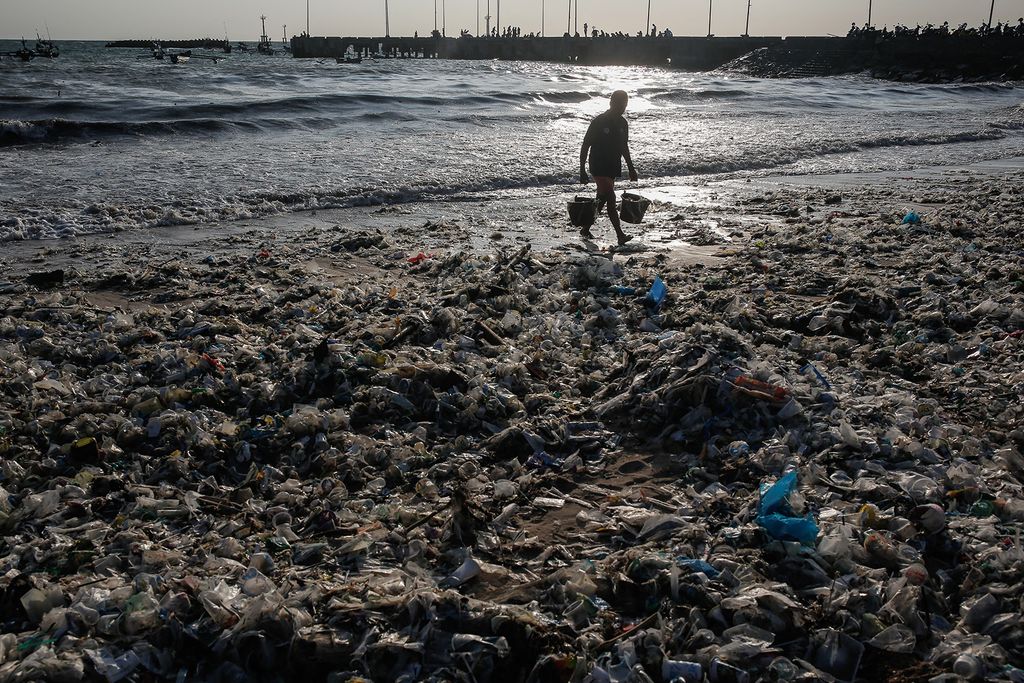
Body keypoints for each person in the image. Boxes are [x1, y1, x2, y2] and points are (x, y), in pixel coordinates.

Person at [579, 90, 638, 245]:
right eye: (619, 104)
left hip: (612, 165)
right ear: (611, 103)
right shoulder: (599, 121)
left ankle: (585, 229)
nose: (622, 108)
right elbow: (586, 145)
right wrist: (582, 169)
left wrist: (631, 168)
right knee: (611, 198)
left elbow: (624, 147)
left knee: (602, 200)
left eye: (625, 104)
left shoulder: (623, 123)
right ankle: (620, 235)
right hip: (597, 165)